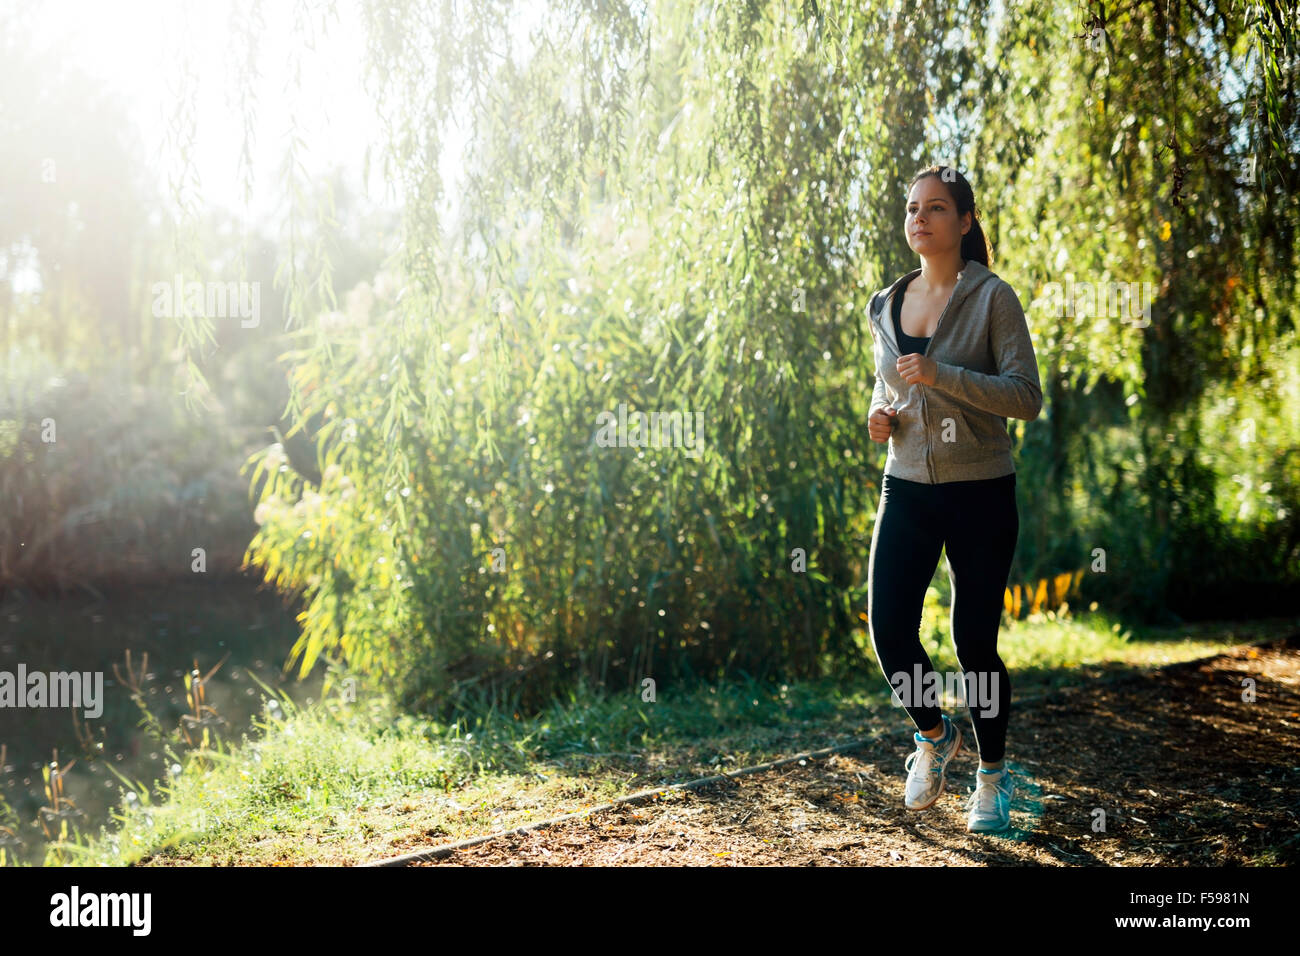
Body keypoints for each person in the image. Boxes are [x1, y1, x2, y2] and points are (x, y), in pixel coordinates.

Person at [865, 165, 1043, 832]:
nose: (920, 218)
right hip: (906, 483)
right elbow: (886, 388)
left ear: (964, 222)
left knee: (973, 640)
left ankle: (991, 780)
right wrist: (879, 417)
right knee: (889, 631)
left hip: (981, 489)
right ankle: (935, 734)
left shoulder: (994, 298)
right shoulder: (885, 302)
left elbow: (1026, 397)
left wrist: (947, 375)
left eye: (936, 208)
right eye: (913, 208)